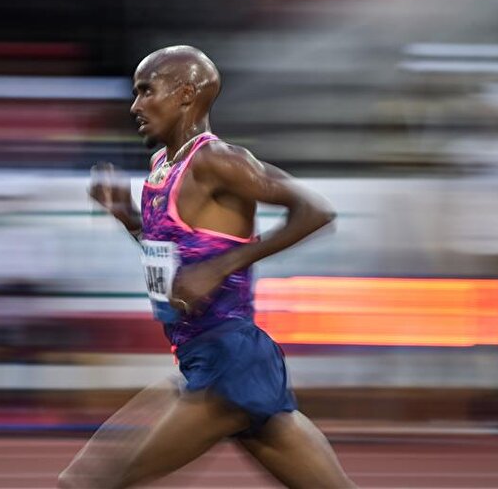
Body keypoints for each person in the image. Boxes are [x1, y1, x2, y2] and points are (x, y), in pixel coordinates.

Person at [60, 46, 356, 488]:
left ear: (185, 94)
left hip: (229, 362)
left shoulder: (218, 160)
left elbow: (315, 211)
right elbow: (176, 261)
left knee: (87, 484)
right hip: (202, 359)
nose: (135, 106)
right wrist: (131, 223)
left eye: (146, 91)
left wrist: (223, 266)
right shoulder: (161, 167)